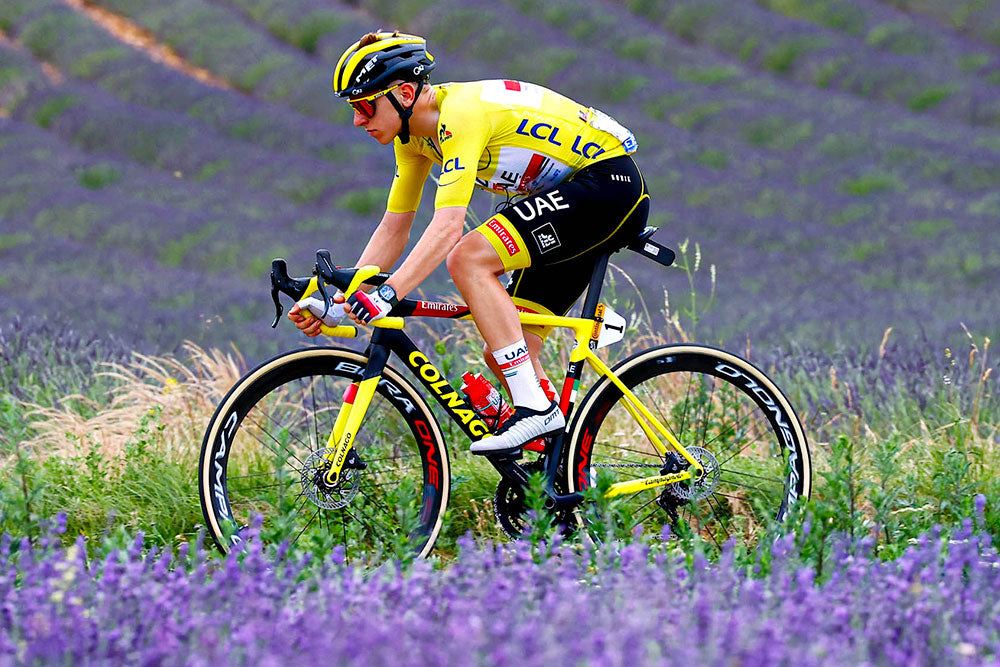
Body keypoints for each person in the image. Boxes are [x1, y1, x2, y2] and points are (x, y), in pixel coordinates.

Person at [288, 31, 649, 456]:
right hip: (571, 202)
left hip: (607, 185)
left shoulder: (459, 116)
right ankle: (562, 473)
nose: (357, 120)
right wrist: (343, 300)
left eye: (365, 105)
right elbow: (394, 228)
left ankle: (535, 410)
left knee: (469, 258)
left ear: (404, 93)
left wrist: (387, 294)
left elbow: (448, 229)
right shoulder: (413, 140)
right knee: (507, 353)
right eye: (353, 108)